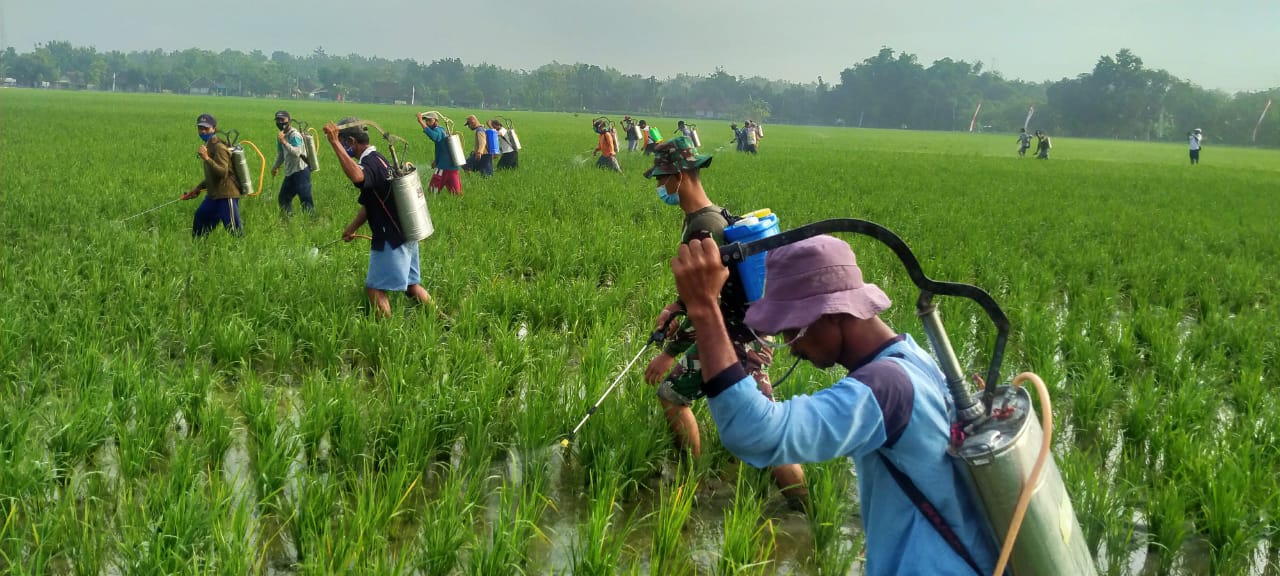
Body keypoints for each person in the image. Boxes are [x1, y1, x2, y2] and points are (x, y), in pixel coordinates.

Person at [668, 234, 1000, 576]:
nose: (789, 345)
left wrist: (705, 307)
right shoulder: (913, 355)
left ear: (835, 314)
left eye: (793, 329)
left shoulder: (886, 389)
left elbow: (757, 433)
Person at [640, 136, 807, 507]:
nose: (659, 186)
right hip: (746, 331)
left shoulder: (704, 229)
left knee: (673, 396)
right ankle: (806, 506)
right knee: (763, 427)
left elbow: (709, 301)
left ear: (679, 176)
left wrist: (670, 352)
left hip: (735, 339)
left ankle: (691, 480)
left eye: (661, 178)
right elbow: (704, 293)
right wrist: (675, 306)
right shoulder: (712, 216)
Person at [322, 117, 439, 319]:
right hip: (406, 231)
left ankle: (385, 335)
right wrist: (351, 228)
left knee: (374, 289)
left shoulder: (371, 163)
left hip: (390, 237)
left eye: (343, 143)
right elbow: (371, 205)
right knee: (412, 286)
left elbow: (358, 176)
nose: (342, 147)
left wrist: (333, 143)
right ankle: (442, 319)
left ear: (351, 142)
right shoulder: (380, 158)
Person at [181, 113, 242, 236]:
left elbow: (222, 173)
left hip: (226, 195)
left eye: (206, 128)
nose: (203, 131)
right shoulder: (208, 145)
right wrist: (197, 188)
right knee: (200, 219)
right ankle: (198, 250)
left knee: (234, 231)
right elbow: (211, 175)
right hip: (213, 195)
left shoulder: (219, 147)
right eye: (200, 128)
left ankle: (242, 252)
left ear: (214, 128)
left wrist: (206, 158)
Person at [270, 110, 314, 216]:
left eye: (282, 120)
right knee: (284, 198)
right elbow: (281, 154)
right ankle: (287, 222)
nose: (280, 122)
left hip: (301, 171)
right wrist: (275, 166)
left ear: (289, 120)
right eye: (278, 120)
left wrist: (284, 141)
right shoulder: (281, 135)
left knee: (305, 200)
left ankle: (311, 223)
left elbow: (296, 152)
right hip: (290, 173)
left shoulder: (295, 135)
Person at [416, 111, 463, 195]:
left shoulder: (438, 130)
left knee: (432, 192)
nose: (427, 122)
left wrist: (421, 122)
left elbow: (435, 137)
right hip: (452, 167)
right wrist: (436, 160)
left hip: (443, 168)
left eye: (429, 120)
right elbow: (443, 149)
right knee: (456, 194)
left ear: (436, 121)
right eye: (426, 120)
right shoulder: (442, 130)